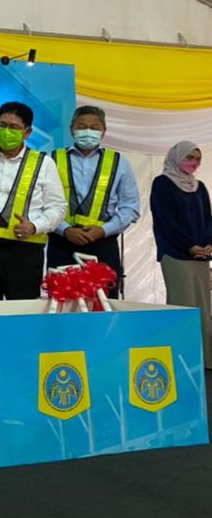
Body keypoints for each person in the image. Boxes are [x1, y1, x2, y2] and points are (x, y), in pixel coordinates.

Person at [0, 101, 67, 300]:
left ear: (27, 132)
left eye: (14, 127)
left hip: (25, 252)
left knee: (23, 313)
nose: (6, 131)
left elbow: (58, 208)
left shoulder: (43, 163)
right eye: (2, 125)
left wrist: (34, 226)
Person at [47, 105, 139, 298]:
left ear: (103, 131)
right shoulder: (52, 160)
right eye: (82, 126)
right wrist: (65, 229)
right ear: (72, 129)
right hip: (62, 242)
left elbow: (130, 208)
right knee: (63, 301)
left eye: (94, 127)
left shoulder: (119, 163)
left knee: (104, 301)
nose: (88, 131)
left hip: (103, 243)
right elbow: (41, 202)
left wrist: (103, 230)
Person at [150, 142, 212, 369]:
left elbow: (208, 219)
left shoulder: (199, 186)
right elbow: (166, 221)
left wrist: (208, 244)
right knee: (183, 305)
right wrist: (189, 246)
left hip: (201, 256)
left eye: (197, 158)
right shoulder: (162, 183)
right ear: (176, 157)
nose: (193, 162)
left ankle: (205, 360)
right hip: (175, 253)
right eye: (188, 157)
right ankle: (181, 362)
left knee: (203, 308)